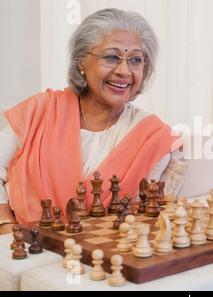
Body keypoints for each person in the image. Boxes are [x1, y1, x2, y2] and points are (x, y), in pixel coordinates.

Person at [0, 8, 182, 234]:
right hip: (24, 243)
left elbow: (137, 217)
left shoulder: (152, 137)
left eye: (135, 60)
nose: (124, 71)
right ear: (81, 63)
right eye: (111, 57)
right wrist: (5, 226)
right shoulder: (40, 111)